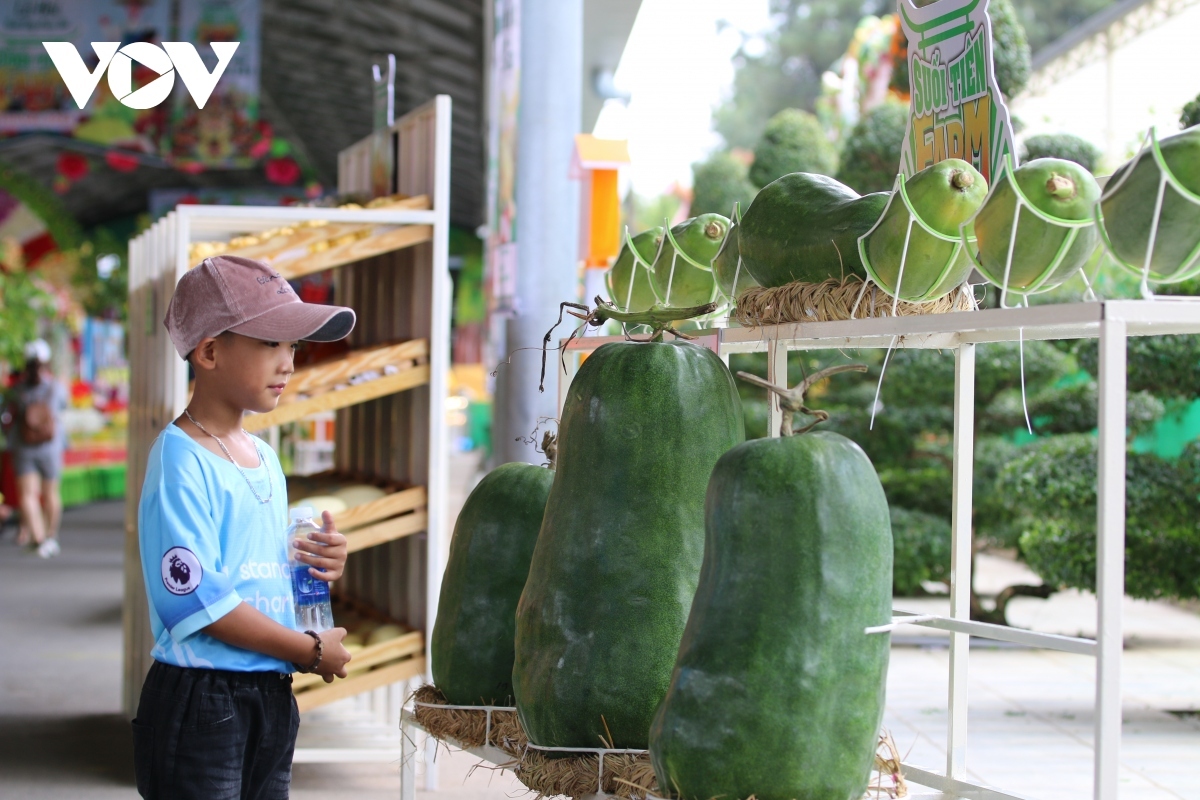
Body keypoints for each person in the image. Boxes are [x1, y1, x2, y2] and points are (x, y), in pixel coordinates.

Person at [133, 255, 357, 799]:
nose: (288, 364)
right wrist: (306, 650)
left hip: (271, 692)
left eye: (293, 348)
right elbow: (196, 601)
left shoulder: (262, 455)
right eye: (270, 343)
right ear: (209, 351)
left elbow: (258, 569)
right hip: (203, 699)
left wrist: (319, 565)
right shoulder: (179, 459)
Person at [3, 339, 68, 558]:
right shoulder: (55, 387)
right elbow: (63, 406)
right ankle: (51, 536)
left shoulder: (16, 390)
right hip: (51, 446)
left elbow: (5, 415)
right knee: (51, 493)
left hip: (24, 447)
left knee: (28, 495)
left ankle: (38, 538)